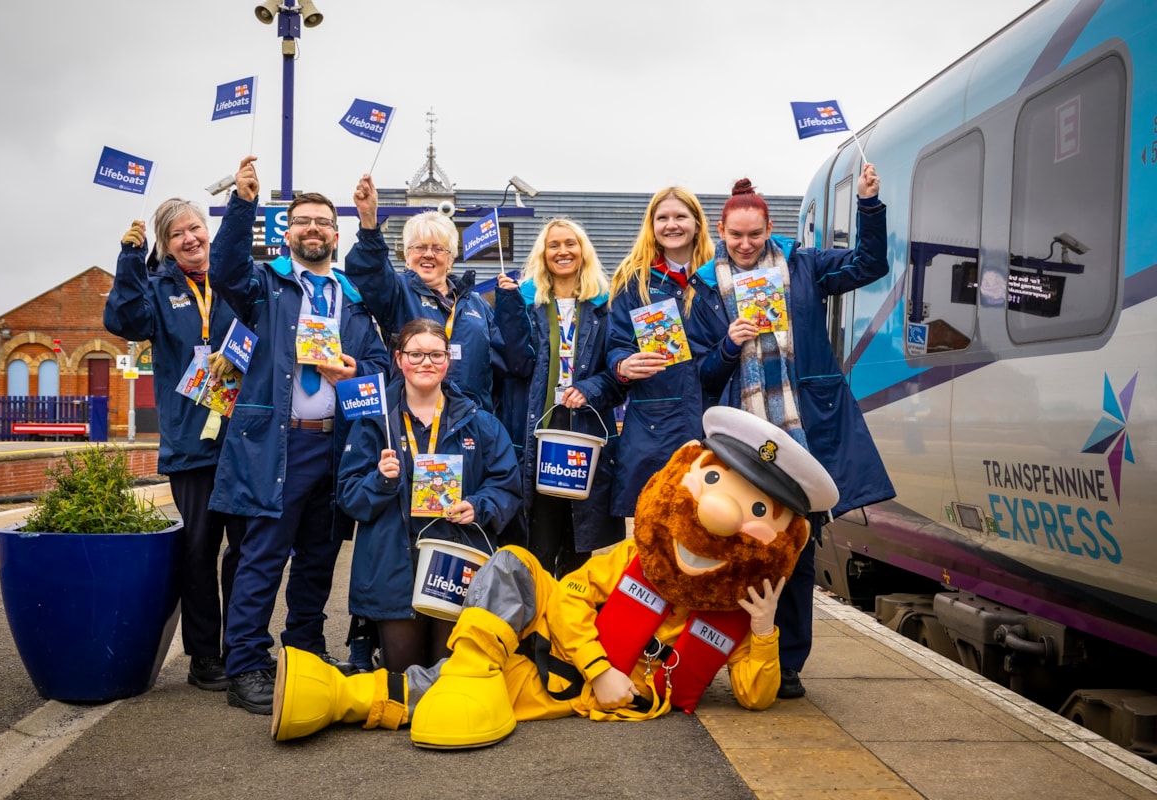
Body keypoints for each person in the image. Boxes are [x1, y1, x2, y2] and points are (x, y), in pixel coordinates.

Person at [270, 406, 840, 748]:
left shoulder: (739, 614)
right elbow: (570, 595)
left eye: (760, 513)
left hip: (555, 689)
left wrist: (764, 628)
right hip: (561, 648)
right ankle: (468, 674)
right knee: (514, 564)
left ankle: (333, 696)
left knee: (438, 689)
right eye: (717, 485)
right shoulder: (632, 560)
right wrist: (600, 667)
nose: (720, 516)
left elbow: (754, 697)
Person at [687, 163, 896, 699]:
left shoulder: (803, 267)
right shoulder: (706, 288)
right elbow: (704, 374)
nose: (746, 244)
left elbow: (869, 264)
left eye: (755, 234)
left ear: (769, 227)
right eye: (736, 235)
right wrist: (729, 343)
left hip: (803, 437)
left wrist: (869, 203)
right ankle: (735, 654)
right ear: (722, 231)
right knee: (738, 550)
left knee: (797, 552)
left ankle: (790, 661)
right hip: (741, 442)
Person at [207, 156, 391, 715]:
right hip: (275, 443)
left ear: (336, 234)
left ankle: (306, 647)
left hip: (335, 444)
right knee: (263, 556)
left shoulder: (352, 298)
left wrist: (353, 372)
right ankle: (246, 665)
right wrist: (241, 204)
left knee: (317, 557)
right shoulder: (265, 284)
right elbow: (224, 270)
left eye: (323, 222)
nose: (313, 229)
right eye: (302, 222)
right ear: (287, 233)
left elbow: (381, 369)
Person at [103, 198, 246, 693]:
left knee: (247, 551)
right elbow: (124, 321)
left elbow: (269, 328)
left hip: (244, 439)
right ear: (165, 244)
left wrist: (241, 352)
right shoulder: (159, 289)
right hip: (192, 443)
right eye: (178, 234)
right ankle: (205, 656)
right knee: (199, 551)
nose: (191, 239)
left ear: (208, 231)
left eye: (196, 228)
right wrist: (129, 258)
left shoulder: (236, 280)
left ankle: (244, 650)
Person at [335, 318, 524, 673]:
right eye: (416, 354)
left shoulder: (478, 421)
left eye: (436, 355)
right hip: (393, 566)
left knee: (449, 676)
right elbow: (349, 496)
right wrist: (380, 480)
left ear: (448, 360)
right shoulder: (374, 421)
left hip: (454, 563)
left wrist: (478, 506)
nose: (426, 362)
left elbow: (506, 485)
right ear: (399, 358)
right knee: (405, 681)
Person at [495, 218, 625, 576]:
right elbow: (515, 364)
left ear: (583, 251)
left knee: (578, 546)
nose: (563, 251)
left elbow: (618, 375)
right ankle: (535, 630)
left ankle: (568, 626)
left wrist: (589, 389)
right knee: (538, 541)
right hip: (537, 434)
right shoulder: (524, 302)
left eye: (571, 243)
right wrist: (507, 308)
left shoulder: (606, 305)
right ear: (543, 254)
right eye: (554, 245)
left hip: (584, 433)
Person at [346, 173, 532, 411]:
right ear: (406, 256)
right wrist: (369, 222)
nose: (428, 254)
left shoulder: (477, 304)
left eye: (438, 248)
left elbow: (514, 363)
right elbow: (370, 270)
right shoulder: (397, 292)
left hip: (469, 422)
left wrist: (511, 308)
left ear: (451, 260)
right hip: (411, 419)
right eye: (419, 247)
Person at [606, 187, 715, 516]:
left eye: (680, 216)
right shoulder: (633, 279)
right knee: (654, 524)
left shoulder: (718, 273)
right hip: (654, 422)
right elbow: (616, 342)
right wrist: (624, 363)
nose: (672, 225)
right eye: (662, 218)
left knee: (711, 522)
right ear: (651, 225)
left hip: (713, 413)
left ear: (697, 222)